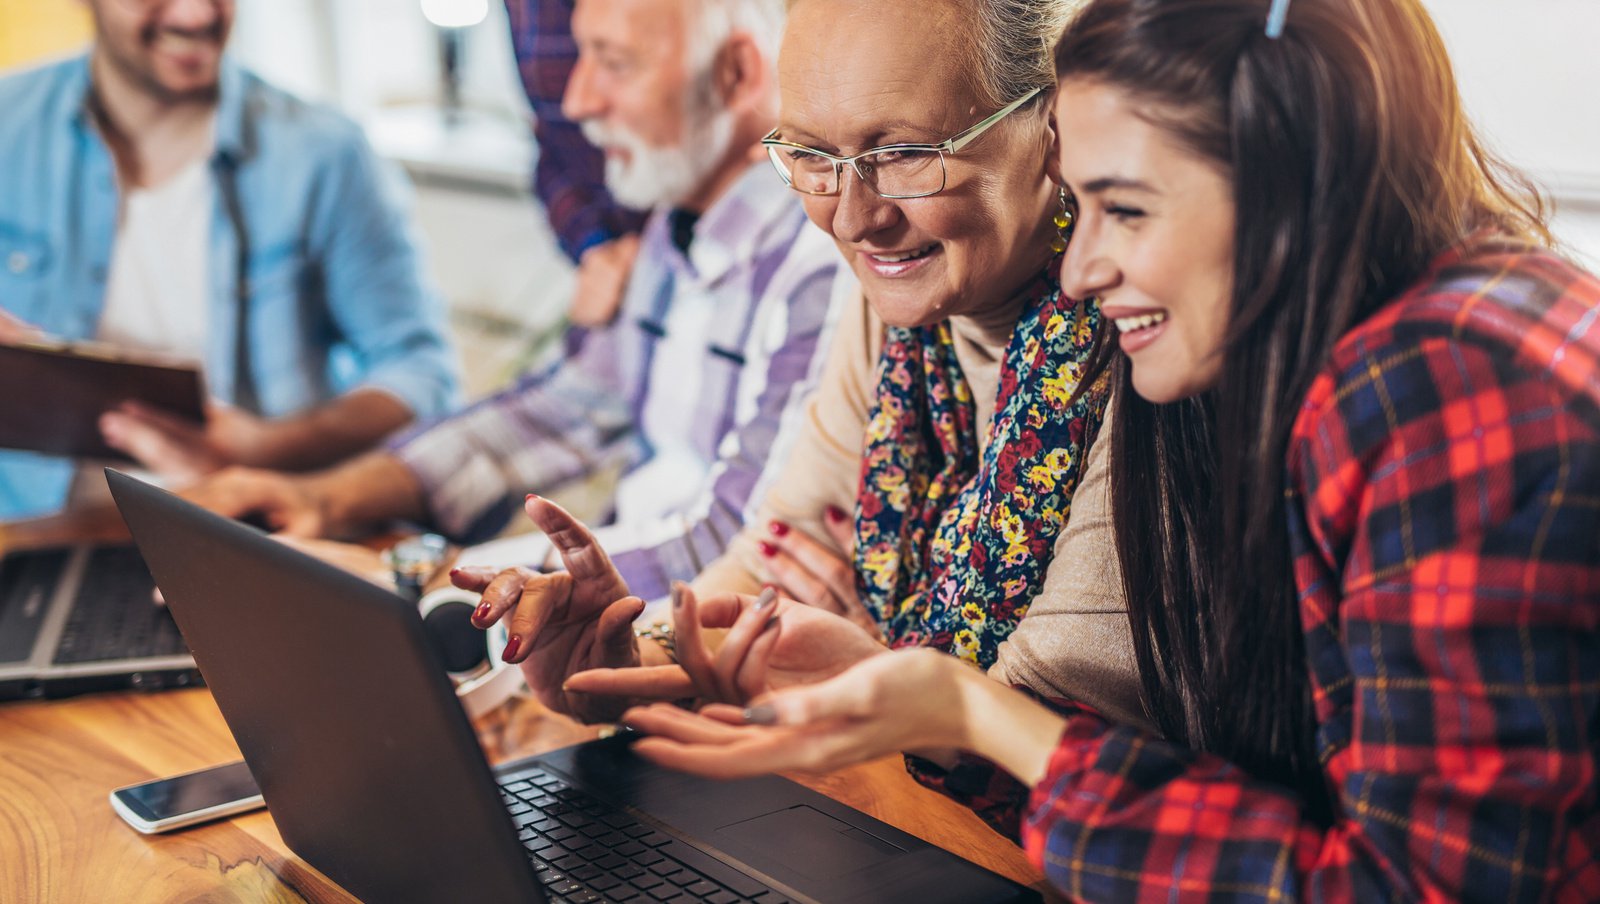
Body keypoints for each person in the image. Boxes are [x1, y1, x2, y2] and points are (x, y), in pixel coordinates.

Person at [618, 0, 1600, 899]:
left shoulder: (1448, 387)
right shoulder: (1382, 354)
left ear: (1289, 181)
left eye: (1123, 209)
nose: (1079, 272)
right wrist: (949, 714)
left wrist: (973, 714)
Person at [465, 0, 1149, 830]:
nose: (853, 218)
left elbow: (1043, 727)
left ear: (1055, 121)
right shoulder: (902, 305)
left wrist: (868, 674)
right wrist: (635, 655)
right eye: (812, 156)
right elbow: (779, 557)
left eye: (903, 154)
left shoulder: (1148, 331)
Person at [188, 0, 841, 608]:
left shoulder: (823, 268)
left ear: (737, 73)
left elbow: (736, 544)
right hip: (618, 620)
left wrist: (428, 584)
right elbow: (557, 414)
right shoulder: (670, 230)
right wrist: (324, 498)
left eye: (614, 63)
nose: (578, 101)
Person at [0, 0, 460, 520]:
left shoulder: (324, 153)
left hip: (248, 533)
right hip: (33, 532)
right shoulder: (9, 126)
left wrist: (270, 446)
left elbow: (423, 373)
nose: (196, 16)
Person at [502, 0, 647, 328]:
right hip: (606, 276)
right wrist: (593, 246)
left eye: (612, 62)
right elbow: (548, 142)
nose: (577, 103)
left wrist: (662, 245)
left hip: (703, 253)